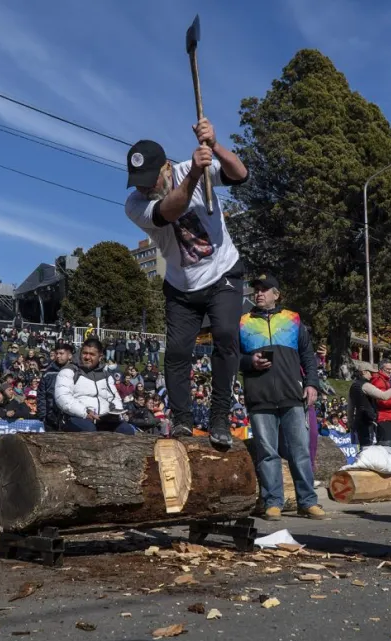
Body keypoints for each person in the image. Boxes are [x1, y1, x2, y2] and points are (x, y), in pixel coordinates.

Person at [124, 117, 249, 449]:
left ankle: (220, 418)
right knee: (178, 351)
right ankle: (182, 421)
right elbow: (169, 210)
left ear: (167, 167)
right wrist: (195, 173)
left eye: (151, 181)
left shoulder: (192, 167)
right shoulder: (136, 206)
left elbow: (240, 174)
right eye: (139, 183)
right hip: (181, 286)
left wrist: (215, 145)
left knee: (225, 335)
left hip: (222, 272)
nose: (145, 189)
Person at [239, 274, 325, 521]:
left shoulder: (293, 319)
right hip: (259, 397)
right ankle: (273, 502)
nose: (259, 293)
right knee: (267, 453)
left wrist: (312, 384)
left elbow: (308, 355)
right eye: (256, 289)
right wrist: (249, 361)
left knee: (300, 451)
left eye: (265, 289)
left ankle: (307, 502)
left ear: (277, 294)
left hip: (292, 396)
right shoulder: (242, 322)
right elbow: (230, 357)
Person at [54, 338, 134, 434]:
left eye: (92, 354)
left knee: (127, 430)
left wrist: (116, 413)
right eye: (85, 353)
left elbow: (114, 398)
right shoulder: (70, 371)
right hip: (77, 417)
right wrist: (85, 412)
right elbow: (62, 398)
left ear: (100, 357)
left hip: (103, 418)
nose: (87, 357)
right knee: (90, 431)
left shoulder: (106, 375)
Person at [37, 342, 73, 431]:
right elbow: (41, 394)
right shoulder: (48, 373)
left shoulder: (76, 372)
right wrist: (43, 416)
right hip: (51, 417)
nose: (58, 356)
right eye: (57, 353)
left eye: (61, 354)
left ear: (69, 356)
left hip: (71, 417)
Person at [371, 359, 391, 446]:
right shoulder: (379, 381)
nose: (390, 371)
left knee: (388, 444)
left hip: (388, 417)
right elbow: (383, 401)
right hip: (383, 417)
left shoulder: (385, 381)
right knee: (386, 446)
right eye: (387, 369)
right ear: (381, 369)